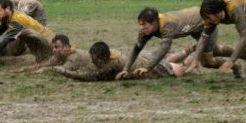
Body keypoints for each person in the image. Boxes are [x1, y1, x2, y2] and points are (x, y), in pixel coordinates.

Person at [115, 6, 241, 80]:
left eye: (144, 25)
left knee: (208, 61)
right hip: (194, 29)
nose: (142, 28)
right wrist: (126, 68)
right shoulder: (148, 30)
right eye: (141, 25)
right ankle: (239, 54)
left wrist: (147, 67)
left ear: (154, 22)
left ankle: (236, 63)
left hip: (205, 24)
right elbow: (136, 49)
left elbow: (163, 50)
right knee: (212, 53)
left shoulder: (167, 25)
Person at [55, 41, 186, 81]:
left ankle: (192, 56)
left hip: (151, 68)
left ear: (102, 58)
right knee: (167, 60)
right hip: (143, 58)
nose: (93, 63)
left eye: (95, 60)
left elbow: (91, 76)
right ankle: (190, 50)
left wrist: (64, 71)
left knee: (180, 70)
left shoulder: (112, 63)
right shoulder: (108, 53)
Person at [12, 34, 93, 73]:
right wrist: (25, 69)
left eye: (57, 47)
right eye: (53, 47)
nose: (54, 50)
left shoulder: (74, 57)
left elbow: (63, 69)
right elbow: (45, 64)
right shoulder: (59, 55)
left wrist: (44, 70)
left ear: (66, 47)